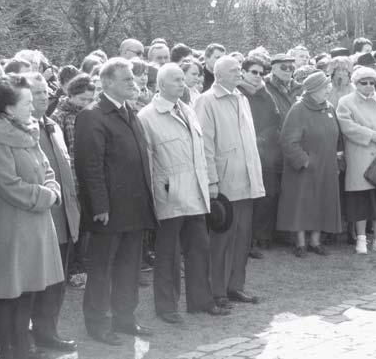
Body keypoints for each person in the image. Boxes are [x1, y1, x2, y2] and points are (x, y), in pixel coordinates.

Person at [0, 74, 64, 359]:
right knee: (10, 296)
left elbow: (46, 169)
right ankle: (10, 353)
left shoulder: (26, 130)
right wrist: (47, 197)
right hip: (11, 229)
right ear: (8, 107)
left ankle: (23, 351)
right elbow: (8, 185)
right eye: (26, 102)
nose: (34, 106)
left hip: (34, 225)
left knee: (27, 292)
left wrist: (51, 188)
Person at [138, 63, 229, 324]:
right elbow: (147, 164)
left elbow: (199, 154)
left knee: (199, 249)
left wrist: (208, 184)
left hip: (196, 194)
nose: (182, 83)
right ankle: (166, 307)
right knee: (167, 254)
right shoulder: (147, 117)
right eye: (176, 80)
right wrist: (157, 196)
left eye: (182, 79)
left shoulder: (188, 109)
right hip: (170, 196)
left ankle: (201, 301)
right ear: (161, 85)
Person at [74, 58, 156, 345]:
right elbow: (89, 166)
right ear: (107, 82)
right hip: (109, 211)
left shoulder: (128, 111)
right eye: (127, 79)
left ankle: (125, 318)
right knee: (102, 270)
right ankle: (97, 324)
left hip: (134, 207)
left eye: (133, 79)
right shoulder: (92, 115)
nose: (134, 83)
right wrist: (100, 207)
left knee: (128, 268)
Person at [193, 56, 265, 308]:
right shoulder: (206, 101)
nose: (239, 73)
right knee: (221, 239)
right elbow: (205, 145)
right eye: (234, 70)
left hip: (246, 179)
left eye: (239, 70)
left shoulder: (242, 98)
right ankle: (217, 290)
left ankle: (236, 286)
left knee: (242, 238)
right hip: (224, 183)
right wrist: (212, 181)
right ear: (218, 74)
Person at [26, 73, 80, 352]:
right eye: (35, 93)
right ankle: (28, 336)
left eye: (45, 91)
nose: (44, 97)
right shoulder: (20, 129)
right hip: (38, 218)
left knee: (56, 283)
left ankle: (48, 331)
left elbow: (66, 169)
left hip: (63, 216)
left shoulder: (52, 126)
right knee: (35, 283)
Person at [336, 66, 376, 254]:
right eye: (363, 83)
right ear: (355, 84)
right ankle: (361, 239)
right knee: (360, 199)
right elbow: (347, 126)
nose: (368, 86)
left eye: (372, 82)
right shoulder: (346, 102)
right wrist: (371, 135)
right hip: (360, 154)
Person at [277, 71, 342, 257]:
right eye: (325, 87)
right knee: (301, 204)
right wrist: (304, 161)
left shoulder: (329, 108)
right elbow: (287, 140)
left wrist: (337, 159)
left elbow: (338, 137)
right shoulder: (298, 109)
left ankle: (315, 241)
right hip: (305, 168)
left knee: (322, 202)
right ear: (313, 90)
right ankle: (300, 244)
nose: (328, 91)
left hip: (327, 166)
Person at [238, 57, 281, 255]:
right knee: (247, 198)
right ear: (244, 72)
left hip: (264, 152)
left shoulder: (266, 95)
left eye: (261, 73)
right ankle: (246, 241)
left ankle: (261, 236)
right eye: (253, 72)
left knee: (267, 195)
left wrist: (262, 138)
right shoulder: (237, 93)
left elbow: (275, 120)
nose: (257, 76)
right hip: (242, 151)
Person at [50, 73, 95, 171]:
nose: (86, 103)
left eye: (89, 100)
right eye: (82, 99)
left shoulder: (92, 114)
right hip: (71, 170)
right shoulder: (59, 116)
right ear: (70, 95)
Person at [265, 54, 299, 119]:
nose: (288, 70)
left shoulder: (298, 88)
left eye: (291, 67)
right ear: (273, 69)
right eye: (283, 67)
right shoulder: (265, 88)